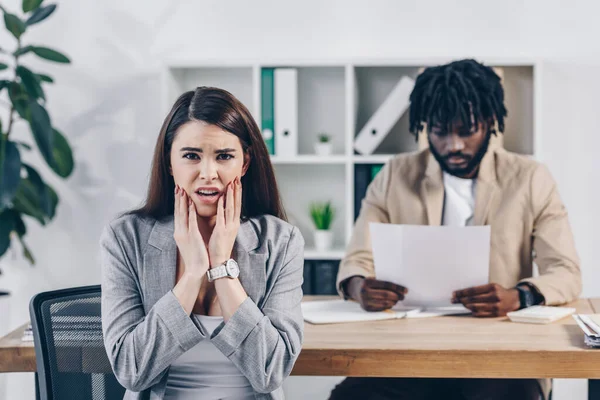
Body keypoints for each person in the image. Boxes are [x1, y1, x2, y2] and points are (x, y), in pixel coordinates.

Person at [332, 59, 581, 400]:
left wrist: (518, 296)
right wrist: (360, 288)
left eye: (467, 130)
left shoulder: (530, 178)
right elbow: (357, 258)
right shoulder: (395, 174)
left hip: (501, 354)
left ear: (490, 122)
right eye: (440, 130)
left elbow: (565, 271)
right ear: (424, 127)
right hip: (409, 353)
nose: (453, 145)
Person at [100, 87, 305, 400]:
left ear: (245, 163)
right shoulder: (125, 238)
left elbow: (271, 371)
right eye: (191, 156)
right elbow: (132, 371)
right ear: (170, 162)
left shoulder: (282, 242)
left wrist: (222, 266)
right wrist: (194, 272)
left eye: (224, 156)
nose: (208, 174)